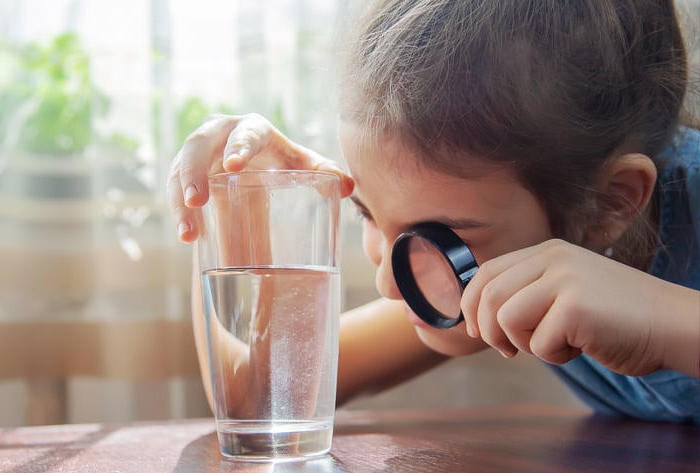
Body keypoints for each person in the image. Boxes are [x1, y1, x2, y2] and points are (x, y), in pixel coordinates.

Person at [169, 0, 700, 423]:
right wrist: (229, 203)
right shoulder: (464, 271)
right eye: (366, 214)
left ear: (612, 202)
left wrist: (662, 324)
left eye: (437, 236)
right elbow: (258, 394)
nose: (388, 284)